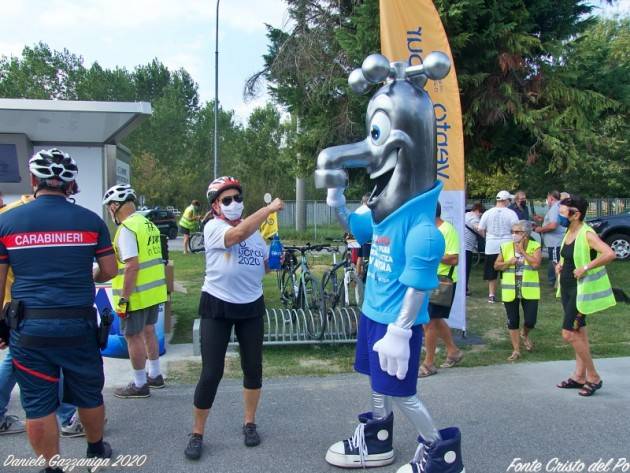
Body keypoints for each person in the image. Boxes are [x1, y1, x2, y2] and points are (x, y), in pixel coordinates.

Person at [0, 148, 117, 472]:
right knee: (89, 393)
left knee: (37, 404)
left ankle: (51, 466)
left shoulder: (6, 222)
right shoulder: (91, 221)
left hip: (30, 330)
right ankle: (95, 448)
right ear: (70, 183)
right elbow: (109, 270)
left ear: (35, 179)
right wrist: (86, 274)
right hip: (77, 326)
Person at [184, 176, 284, 461]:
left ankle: (249, 423)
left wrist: (276, 260)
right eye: (226, 200)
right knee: (211, 373)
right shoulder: (213, 227)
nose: (234, 204)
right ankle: (197, 432)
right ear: (215, 206)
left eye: (237, 199)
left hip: (251, 307)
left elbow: (263, 266)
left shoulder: (253, 233)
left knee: (253, 368)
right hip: (218, 305)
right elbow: (235, 237)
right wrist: (269, 209)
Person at [0, 194, 82, 437]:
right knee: (52, 356)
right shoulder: (22, 217)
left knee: (15, 360)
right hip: (26, 305)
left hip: (17, 305)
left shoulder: (11, 216)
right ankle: (68, 416)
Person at [102, 184, 168, 399]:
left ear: (115, 206)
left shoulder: (127, 229)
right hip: (154, 292)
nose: (110, 212)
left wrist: (123, 299)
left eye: (109, 208)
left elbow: (131, 265)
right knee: (149, 331)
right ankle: (155, 375)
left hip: (136, 294)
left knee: (132, 336)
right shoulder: (147, 224)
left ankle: (140, 384)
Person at [555, 195, 616, 397]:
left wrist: (586, 267)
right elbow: (569, 257)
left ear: (576, 214)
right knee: (579, 333)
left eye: (563, 212)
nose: (559, 215)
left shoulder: (587, 233)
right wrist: (561, 265)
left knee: (569, 333)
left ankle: (594, 376)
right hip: (567, 289)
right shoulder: (569, 231)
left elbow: (609, 253)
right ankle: (579, 376)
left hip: (580, 292)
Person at [420, 202, 463, 377]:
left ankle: (429, 363)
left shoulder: (447, 230)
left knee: (429, 322)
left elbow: (454, 259)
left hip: (443, 281)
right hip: (430, 279)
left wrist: (432, 256)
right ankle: (453, 351)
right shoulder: (429, 230)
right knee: (435, 320)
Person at [494, 220, 542, 361]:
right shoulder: (506, 247)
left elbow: (536, 264)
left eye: (517, 232)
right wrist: (508, 262)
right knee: (512, 320)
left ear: (525, 234)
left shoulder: (535, 246)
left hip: (529, 289)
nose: (514, 235)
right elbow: (496, 265)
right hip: (511, 290)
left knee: (531, 320)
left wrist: (523, 252)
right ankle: (516, 350)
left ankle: (525, 334)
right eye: (512, 232)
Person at [478, 191, 519, 303]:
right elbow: (516, 228)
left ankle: (491, 295)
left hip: (491, 244)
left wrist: (487, 237)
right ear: (506, 200)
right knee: (507, 268)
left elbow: (481, 228)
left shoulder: (488, 212)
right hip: (507, 243)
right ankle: (508, 293)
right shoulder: (511, 213)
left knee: (491, 270)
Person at [534, 190, 566, 286]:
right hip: (556, 241)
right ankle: (558, 283)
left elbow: (553, 225)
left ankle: (560, 285)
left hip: (555, 242)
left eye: (547, 198)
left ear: (551, 198)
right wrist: (543, 220)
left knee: (556, 264)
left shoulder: (555, 208)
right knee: (556, 262)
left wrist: (540, 229)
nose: (547, 200)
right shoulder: (558, 206)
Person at [464, 202, 484, 295]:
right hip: (467, 247)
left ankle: (463, 287)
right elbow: (478, 228)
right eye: (481, 213)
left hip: (462, 245)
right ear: (477, 210)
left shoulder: (465, 215)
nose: (480, 216)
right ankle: (465, 289)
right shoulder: (473, 217)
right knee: (466, 269)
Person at [355, 193, 372, 283]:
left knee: (358, 256)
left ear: (362, 201)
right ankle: (364, 276)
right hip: (365, 237)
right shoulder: (370, 209)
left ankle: (357, 275)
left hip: (353, 235)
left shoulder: (358, 209)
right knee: (365, 256)